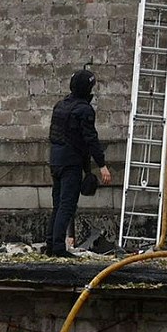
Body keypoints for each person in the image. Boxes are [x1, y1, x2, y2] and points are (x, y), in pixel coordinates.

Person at [46, 67, 112, 257]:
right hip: (70, 163)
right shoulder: (84, 110)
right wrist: (101, 165)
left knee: (58, 204)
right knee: (67, 205)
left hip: (56, 160)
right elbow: (89, 139)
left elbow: (63, 136)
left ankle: (51, 244)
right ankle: (58, 248)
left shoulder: (60, 106)